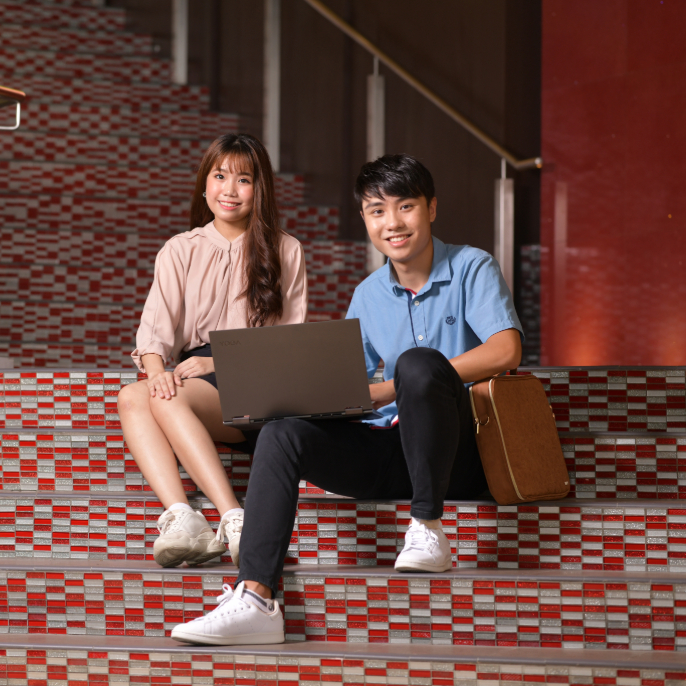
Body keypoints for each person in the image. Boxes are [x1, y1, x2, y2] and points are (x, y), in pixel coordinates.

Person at [170, 153, 522, 646]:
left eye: (406, 208)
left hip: (461, 451)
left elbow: (507, 350)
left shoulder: (471, 266)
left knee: (417, 365)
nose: (393, 223)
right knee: (283, 433)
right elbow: (349, 388)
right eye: (377, 211)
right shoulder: (369, 292)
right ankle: (255, 598)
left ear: (432, 209)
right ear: (364, 218)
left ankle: (427, 526)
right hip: (391, 450)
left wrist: (404, 384)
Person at [117, 133, 308, 570]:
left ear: (261, 190)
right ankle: (184, 519)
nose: (229, 188)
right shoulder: (179, 249)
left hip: (261, 382)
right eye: (220, 176)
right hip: (195, 377)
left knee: (169, 395)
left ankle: (235, 517)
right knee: (133, 395)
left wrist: (218, 360)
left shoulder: (286, 250)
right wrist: (155, 369)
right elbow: (155, 331)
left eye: (244, 179)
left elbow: (289, 344)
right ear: (204, 185)